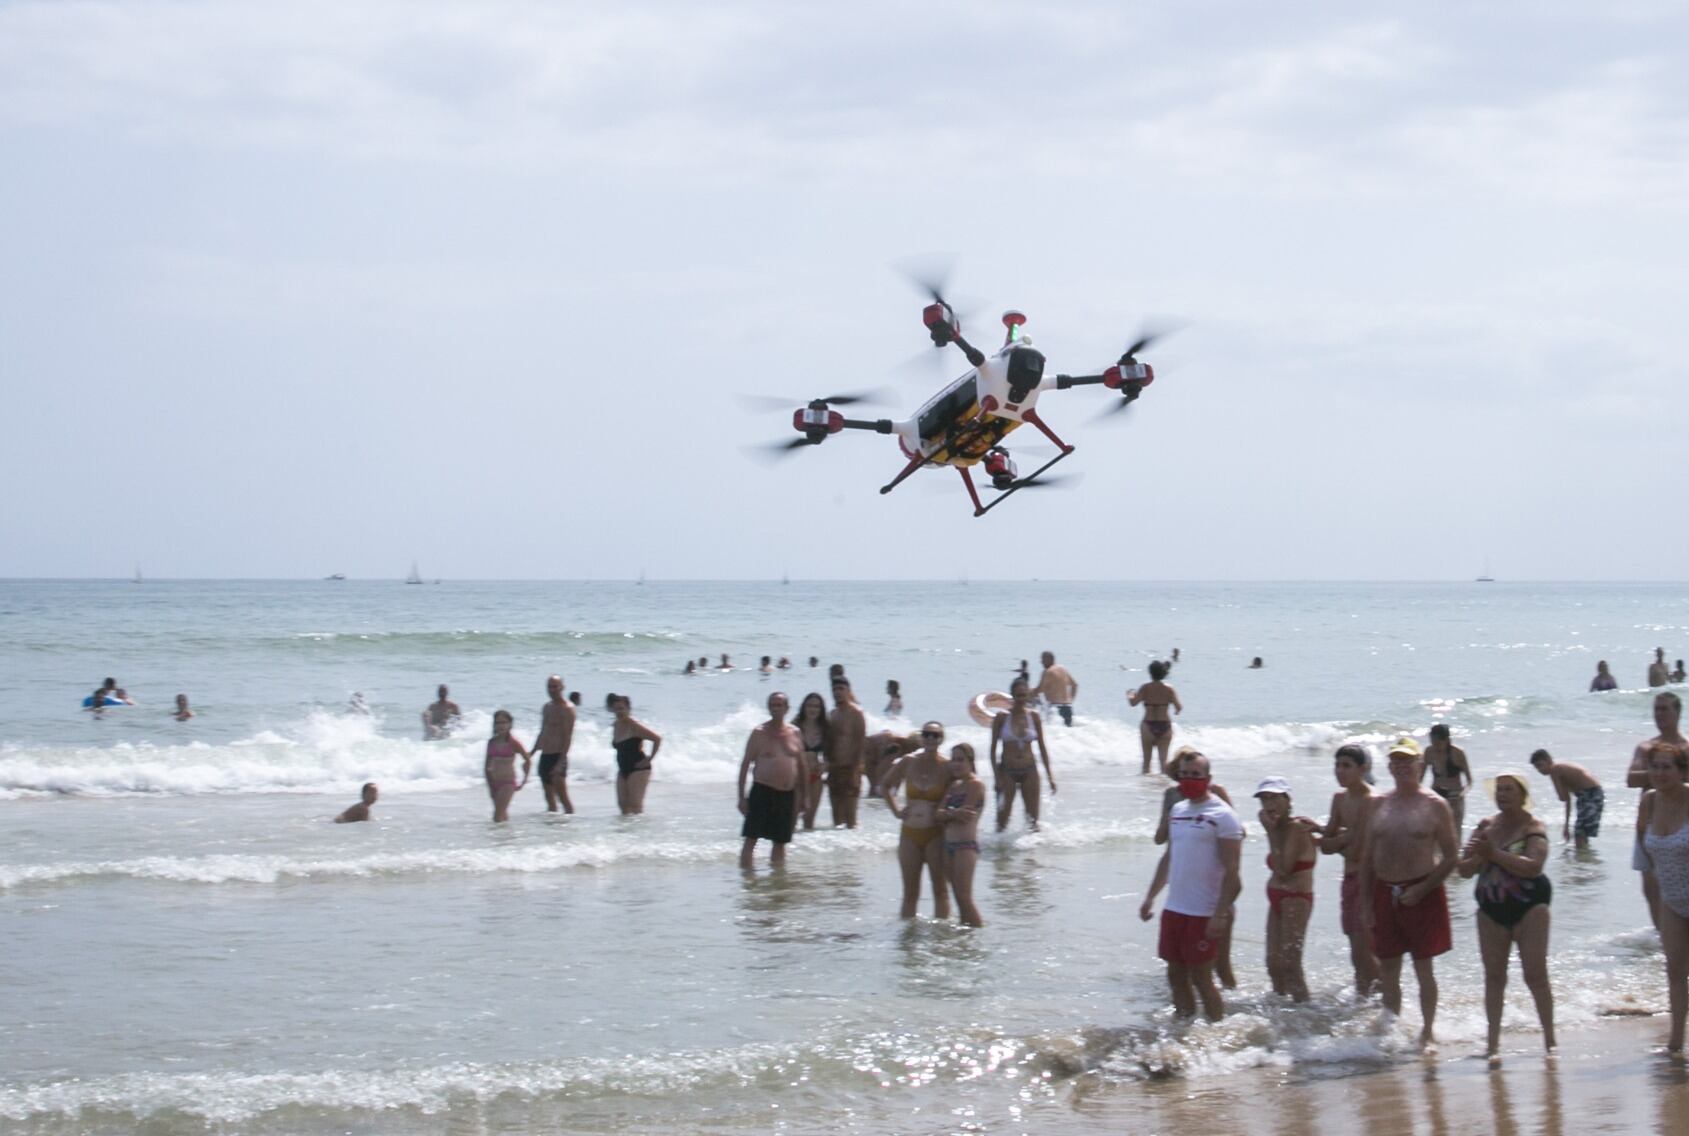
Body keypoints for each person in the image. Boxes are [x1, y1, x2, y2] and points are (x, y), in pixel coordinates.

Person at [1359, 738, 1460, 1047]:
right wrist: (1365, 904)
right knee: (1388, 966)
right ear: (1389, 768)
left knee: (1423, 966)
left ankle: (1427, 1031)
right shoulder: (1378, 804)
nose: (1403, 767)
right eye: (1397, 762)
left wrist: (1422, 889)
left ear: (1420, 765)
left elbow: (1451, 857)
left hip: (1422, 893)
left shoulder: (1435, 805)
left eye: (1408, 761)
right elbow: (1366, 859)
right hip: (1384, 892)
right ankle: (1391, 1031)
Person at [1457, 771, 1555, 1063]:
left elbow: (1534, 866)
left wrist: (1494, 854)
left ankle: (1550, 1041)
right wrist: (1478, 856)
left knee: (1535, 975)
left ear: (1523, 794)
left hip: (1530, 908)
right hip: (1490, 910)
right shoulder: (1486, 826)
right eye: (1499, 790)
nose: (1502, 794)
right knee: (1494, 977)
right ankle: (1492, 1045)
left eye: (1509, 790)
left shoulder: (1533, 826)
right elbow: (1463, 869)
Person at [1138, 751, 1244, 1020]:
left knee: (1202, 977)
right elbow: (1170, 855)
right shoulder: (1178, 810)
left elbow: (1233, 873)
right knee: (1175, 975)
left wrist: (1219, 914)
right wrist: (1151, 896)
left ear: (1208, 778)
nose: (1189, 780)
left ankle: (1218, 1032)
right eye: (1184, 774)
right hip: (1175, 908)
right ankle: (1183, 1028)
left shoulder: (1223, 815)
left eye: (1196, 775)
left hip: (1204, 911)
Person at [1635, 740, 1689, 1052]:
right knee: (1675, 971)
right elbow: (1644, 844)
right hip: (1671, 899)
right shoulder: (1649, 802)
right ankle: (1675, 1042)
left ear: (1681, 770)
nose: (1659, 772)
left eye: (1666, 767)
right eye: (1654, 766)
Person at [1313, 743, 1379, 996]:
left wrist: (1337, 840)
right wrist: (1343, 838)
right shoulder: (1339, 799)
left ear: (1363, 769)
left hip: (1369, 881)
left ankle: (1383, 1003)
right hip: (1349, 878)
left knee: (1367, 949)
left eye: (1346, 766)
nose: (1339, 771)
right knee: (1355, 949)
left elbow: (1356, 850)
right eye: (1337, 765)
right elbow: (1327, 847)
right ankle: (1363, 1003)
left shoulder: (1371, 800)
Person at [880, 721, 954, 919]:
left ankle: (941, 939)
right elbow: (885, 786)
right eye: (927, 734)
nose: (930, 738)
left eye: (935, 735)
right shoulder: (908, 761)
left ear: (941, 739)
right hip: (910, 834)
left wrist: (947, 812)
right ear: (921, 737)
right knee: (910, 893)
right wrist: (896, 811)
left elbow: (960, 791)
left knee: (940, 891)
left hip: (935, 834)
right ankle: (907, 942)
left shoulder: (947, 766)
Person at [1256, 776, 1315, 1002]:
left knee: (1291, 963)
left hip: (1296, 898)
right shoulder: (1278, 828)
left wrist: (1270, 833)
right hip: (1277, 898)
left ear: (1288, 800)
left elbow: (1283, 869)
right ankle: (1283, 1015)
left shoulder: (1296, 828)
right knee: (1273, 963)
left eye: (1275, 798)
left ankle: (1305, 1013)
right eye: (1264, 800)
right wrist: (1272, 831)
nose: (1269, 805)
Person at [1629, 692, 1685, 929]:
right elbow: (1631, 778)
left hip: (1680, 821)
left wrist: (1656, 773)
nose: (1659, 714)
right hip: (1650, 820)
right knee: (1650, 884)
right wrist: (1665, 773)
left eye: (1665, 709)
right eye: (1656, 709)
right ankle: (1661, 936)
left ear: (1677, 713)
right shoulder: (1645, 747)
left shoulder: (1686, 747)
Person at [738, 692, 802, 869]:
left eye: (780, 705)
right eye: (773, 705)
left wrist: (805, 798)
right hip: (762, 791)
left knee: (780, 841)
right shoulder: (759, 733)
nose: (776, 708)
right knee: (751, 838)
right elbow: (744, 765)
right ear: (768, 708)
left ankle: (777, 880)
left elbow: (801, 767)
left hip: (787, 793)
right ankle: (748, 880)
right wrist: (741, 797)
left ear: (787, 708)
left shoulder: (795, 733)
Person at [992, 677, 1055, 831]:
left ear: (1028, 695)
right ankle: (1001, 854)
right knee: (1002, 822)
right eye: (1018, 695)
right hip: (1007, 770)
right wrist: (997, 777)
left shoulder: (1034, 717)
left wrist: (1050, 776)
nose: (1021, 699)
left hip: (1029, 770)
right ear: (1012, 696)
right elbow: (992, 750)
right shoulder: (1002, 717)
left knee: (1033, 822)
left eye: (1024, 695)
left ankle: (1031, 854)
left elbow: (1042, 747)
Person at [938, 742, 987, 927]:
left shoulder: (975, 784)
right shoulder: (953, 786)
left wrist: (948, 814)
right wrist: (952, 813)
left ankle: (976, 934)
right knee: (957, 896)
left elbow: (965, 816)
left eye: (961, 760)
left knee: (964, 897)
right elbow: (938, 814)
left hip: (965, 846)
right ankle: (965, 933)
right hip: (948, 846)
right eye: (953, 760)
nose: (956, 764)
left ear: (970, 762)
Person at [1528, 748, 1604, 849]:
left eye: (1540, 765)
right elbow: (1568, 801)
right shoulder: (1560, 771)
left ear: (1549, 760)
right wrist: (1566, 826)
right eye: (1536, 768)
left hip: (1591, 794)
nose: (1540, 770)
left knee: (1580, 833)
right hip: (1586, 795)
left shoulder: (1555, 769)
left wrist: (1560, 789)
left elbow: (1562, 798)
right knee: (1581, 833)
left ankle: (1583, 860)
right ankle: (1585, 858)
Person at [608, 693, 661, 815]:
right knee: (622, 805)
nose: (619, 712)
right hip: (623, 769)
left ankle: (640, 833)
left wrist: (649, 759)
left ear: (628, 709)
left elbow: (657, 739)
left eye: (621, 708)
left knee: (635, 805)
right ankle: (626, 833)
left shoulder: (634, 725)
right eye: (616, 709)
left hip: (639, 768)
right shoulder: (616, 725)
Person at [824, 678, 866, 828]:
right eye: (835, 689)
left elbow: (860, 743)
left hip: (850, 769)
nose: (837, 692)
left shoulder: (856, 713)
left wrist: (855, 771)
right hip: (834, 770)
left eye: (841, 689)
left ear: (848, 691)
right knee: (836, 820)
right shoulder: (832, 714)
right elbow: (828, 744)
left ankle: (854, 850)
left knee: (850, 820)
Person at [1127, 660, 1181, 775]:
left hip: (1148, 725)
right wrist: (1175, 711)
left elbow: (1133, 703)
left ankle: (1146, 790)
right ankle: (1161, 789)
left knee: (1146, 763)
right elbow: (1179, 707)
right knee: (1163, 763)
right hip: (1165, 725)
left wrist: (1130, 694)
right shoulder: (1169, 689)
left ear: (1150, 672)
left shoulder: (1145, 688)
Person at [534, 675, 576, 815]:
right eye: (549, 687)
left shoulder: (567, 709)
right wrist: (532, 752)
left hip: (558, 757)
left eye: (555, 686)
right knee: (549, 801)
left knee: (563, 799)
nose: (552, 690)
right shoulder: (547, 707)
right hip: (545, 756)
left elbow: (567, 737)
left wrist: (560, 762)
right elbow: (543, 732)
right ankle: (553, 834)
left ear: (562, 687)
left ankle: (571, 828)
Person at [1422, 724, 1473, 837]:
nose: (1436, 747)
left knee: (1455, 833)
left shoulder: (1458, 753)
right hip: (1436, 793)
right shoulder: (1429, 752)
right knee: (1433, 832)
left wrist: (1462, 794)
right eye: (1433, 743)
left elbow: (1469, 781)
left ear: (1447, 740)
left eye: (1439, 744)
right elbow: (1419, 778)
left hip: (1455, 795)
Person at [484, 710, 531, 823]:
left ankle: (497, 839)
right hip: (494, 783)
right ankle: (507, 838)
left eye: (504, 722)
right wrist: (490, 785)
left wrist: (524, 780)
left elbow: (527, 760)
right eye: (498, 723)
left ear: (510, 724)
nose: (501, 726)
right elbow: (486, 766)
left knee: (497, 817)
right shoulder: (491, 742)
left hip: (508, 783)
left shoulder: (513, 743)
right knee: (502, 814)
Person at [793, 691, 829, 830]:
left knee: (809, 820)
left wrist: (825, 765)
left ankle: (806, 850)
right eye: (810, 706)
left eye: (817, 707)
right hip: (797, 779)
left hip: (815, 777)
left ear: (821, 709)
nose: (813, 709)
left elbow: (828, 755)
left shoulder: (825, 729)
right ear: (804, 707)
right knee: (793, 818)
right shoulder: (795, 727)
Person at [1034, 651, 1078, 727]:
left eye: (1043, 660)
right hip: (1068, 708)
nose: (1041, 662)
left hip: (1055, 709)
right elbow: (1074, 685)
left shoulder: (1047, 671)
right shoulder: (1063, 669)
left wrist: (1026, 694)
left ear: (1049, 659)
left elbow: (1039, 690)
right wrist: (1071, 701)